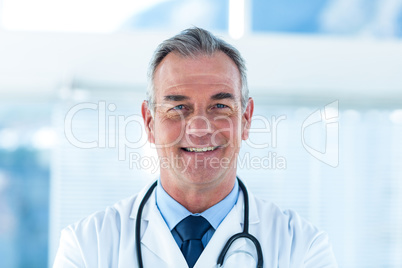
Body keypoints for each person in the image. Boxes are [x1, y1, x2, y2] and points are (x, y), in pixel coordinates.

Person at [53, 27, 338, 268]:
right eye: (178, 107)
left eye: (220, 106)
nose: (199, 128)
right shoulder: (87, 247)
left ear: (246, 119)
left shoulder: (302, 249)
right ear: (150, 122)